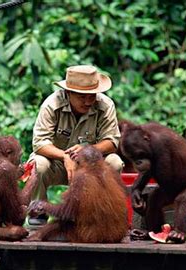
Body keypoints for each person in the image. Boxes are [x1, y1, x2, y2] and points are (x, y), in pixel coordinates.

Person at [28, 65, 123, 225]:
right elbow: (39, 143)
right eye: (81, 96)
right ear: (68, 92)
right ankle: (38, 212)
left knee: (114, 162)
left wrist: (88, 151)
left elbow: (112, 141)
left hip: (90, 166)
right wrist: (64, 156)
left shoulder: (105, 105)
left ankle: (101, 212)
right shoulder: (52, 104)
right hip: (58, 164)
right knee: (38, 164)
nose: (88, 102)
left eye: (92, 95)